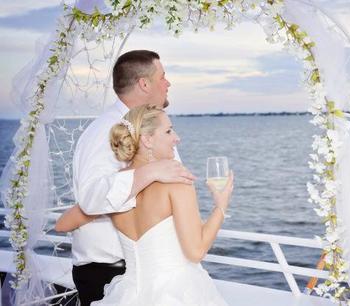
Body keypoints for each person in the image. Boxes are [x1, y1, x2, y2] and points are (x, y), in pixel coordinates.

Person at [57, 105, 232, 305]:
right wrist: (221, 206)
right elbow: (196, 252)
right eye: (168, 131)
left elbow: (62, 224)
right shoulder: (177, 182)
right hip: (178, 293)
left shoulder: (116, 188)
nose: (177, 138)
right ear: (147, 140)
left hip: (129, 295)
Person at [68, 50, 196, 306]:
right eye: (163, 76)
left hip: (152, 270)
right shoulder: (105, 132)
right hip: (112, 273)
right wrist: (150, 172)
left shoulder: (150, 127)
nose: (168, 83)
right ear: (144, 84)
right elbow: (91, 198)